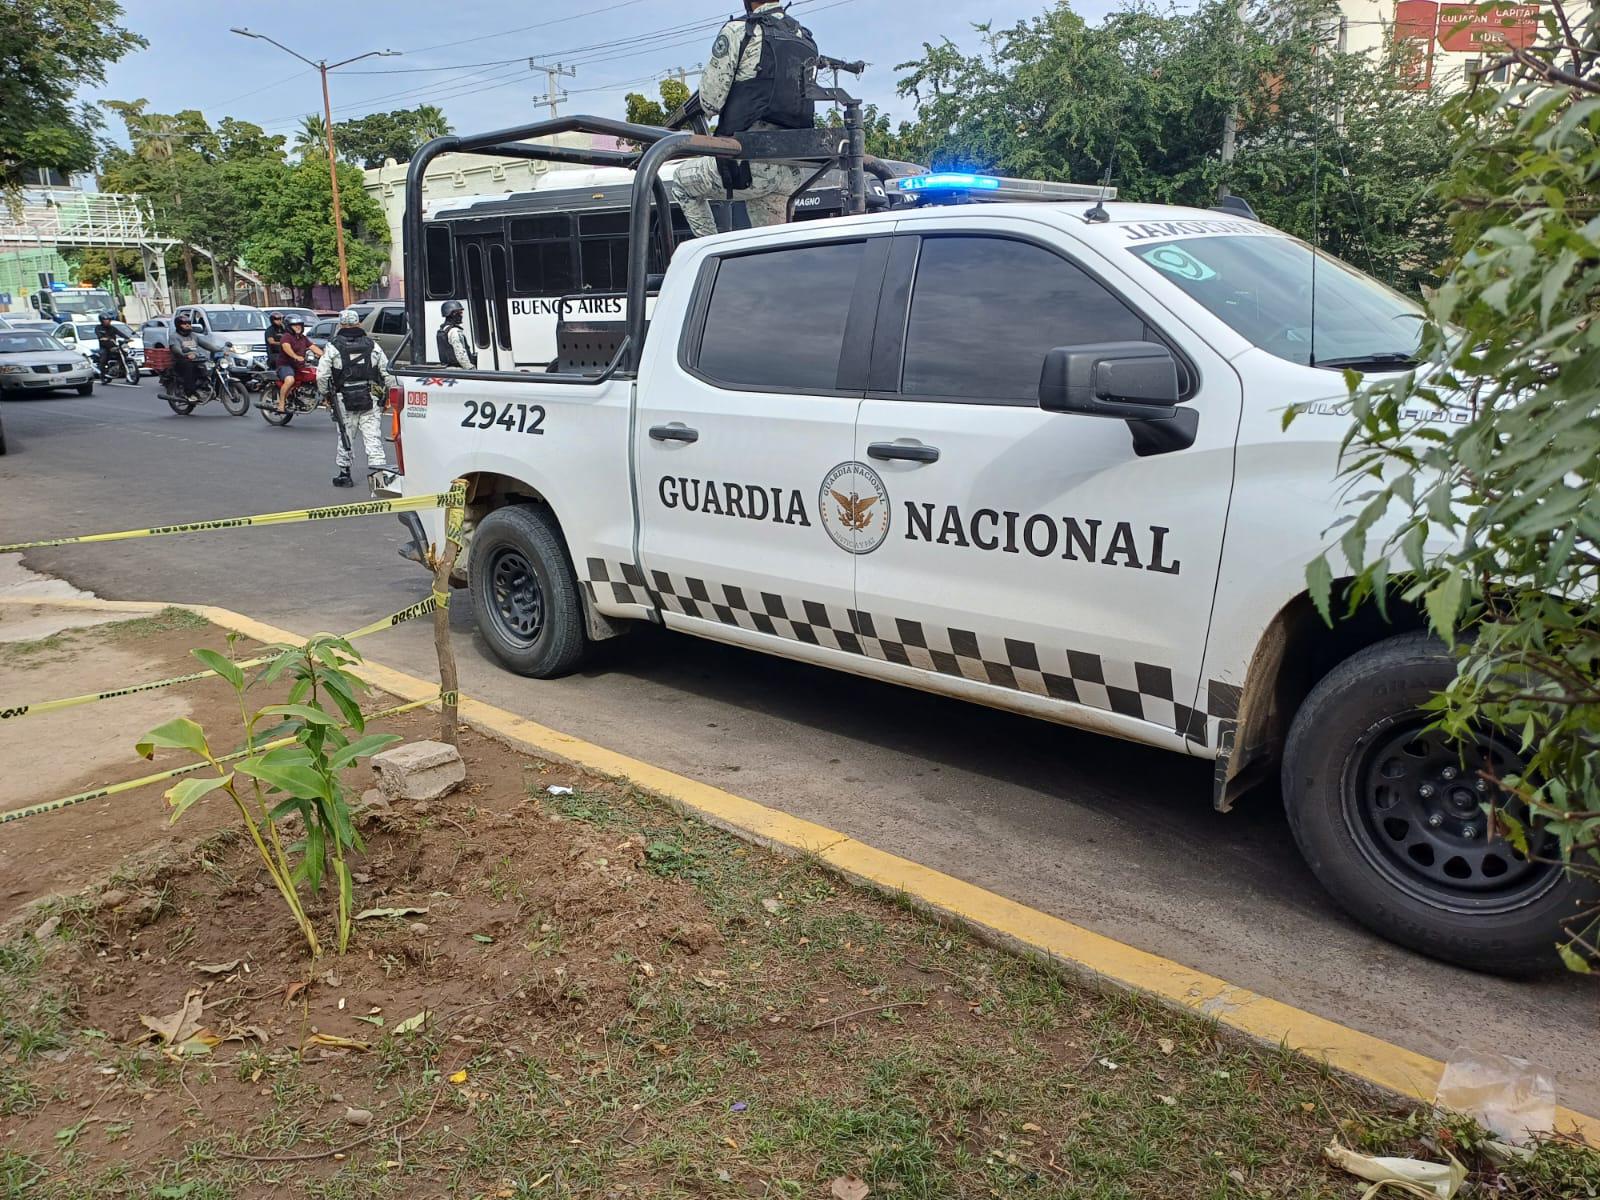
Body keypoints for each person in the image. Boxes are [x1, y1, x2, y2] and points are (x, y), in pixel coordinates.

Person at [669, 0, 816, 239]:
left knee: (682, 182)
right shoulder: (805, 38)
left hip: (748, 165)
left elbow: (710, 101)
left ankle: (709, 251)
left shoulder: (740, 31)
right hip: (792, 169)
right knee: (772, 249)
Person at [317, 308, 396, 489]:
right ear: (359, 324)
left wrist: (325, 395)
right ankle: (379, 479)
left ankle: (345, 475)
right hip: (370, 397)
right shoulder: (372, 345)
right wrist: (389, 394)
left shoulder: (333, 346)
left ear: (341, 325)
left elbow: (321, 376)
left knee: (345, 436)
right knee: (373, 437)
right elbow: (387, 372)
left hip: (343, 398)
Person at [276, 315, 319, 412]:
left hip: (299, 366)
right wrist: (295, 356)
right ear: (289, 327)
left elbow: (313, 347)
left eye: (299, 325)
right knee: (290, 380)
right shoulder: (286, 337)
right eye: (294, 325)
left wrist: (325, 355)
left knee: (316, 375)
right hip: (285, 365)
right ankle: (281, 403)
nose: (298, 327)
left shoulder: (303, 338)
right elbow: (286, 347)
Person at [170, 313, 206, 398]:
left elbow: (206, 344)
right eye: (184, 324)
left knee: (209, 365)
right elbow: (175, 348)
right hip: (180, 360)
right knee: (189, 366)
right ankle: (189, 392)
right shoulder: (174, 336)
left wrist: (220, 349)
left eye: (189, 323)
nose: (187, 325)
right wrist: (184, 354)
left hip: (195, 359)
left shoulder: (193, 335)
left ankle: (205, 386)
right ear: (178, 325)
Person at [436, 300, 476, 368]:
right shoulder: (454, 331)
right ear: (453, 314)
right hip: (458, 369)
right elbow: (460, 354)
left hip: (447, 369)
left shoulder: (443, 330)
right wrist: (470, 368)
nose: (461, 315)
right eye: (460, 313)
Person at [264, 311, 288, 410]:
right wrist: (283, 343)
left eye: (280, 319)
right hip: (274, 356)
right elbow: (271, 341)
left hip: (285, 354)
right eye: (277, 319)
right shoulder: (270, 330)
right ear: (272, 320)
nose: (279, 321)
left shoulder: (284, 329)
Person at [94, 311, 120, 376]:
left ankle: (119, 368)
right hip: (104, 347)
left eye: (108, 320)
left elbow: (119, 333)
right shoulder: (98, 327)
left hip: (112, 346)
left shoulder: (112, 328)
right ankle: (102, 374)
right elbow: (99, 335)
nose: (107, 321)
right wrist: (103, 338)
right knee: (104, 357)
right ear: (101, 321)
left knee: (123, 353)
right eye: (105, 320)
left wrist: (128, 338)